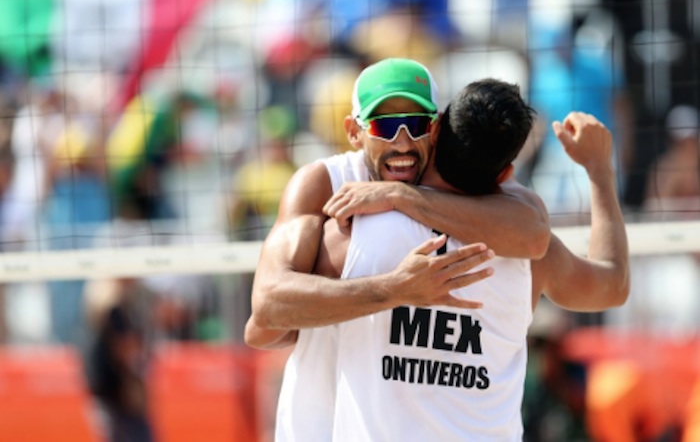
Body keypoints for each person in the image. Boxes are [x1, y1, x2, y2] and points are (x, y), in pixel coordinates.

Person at [249, 79, 629, 440]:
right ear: (507, 173)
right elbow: (612, 285)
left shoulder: (350, 230)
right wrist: (599, 172)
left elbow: (263, 327)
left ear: (436, 128)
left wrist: (392, 287)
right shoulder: (528, 249)